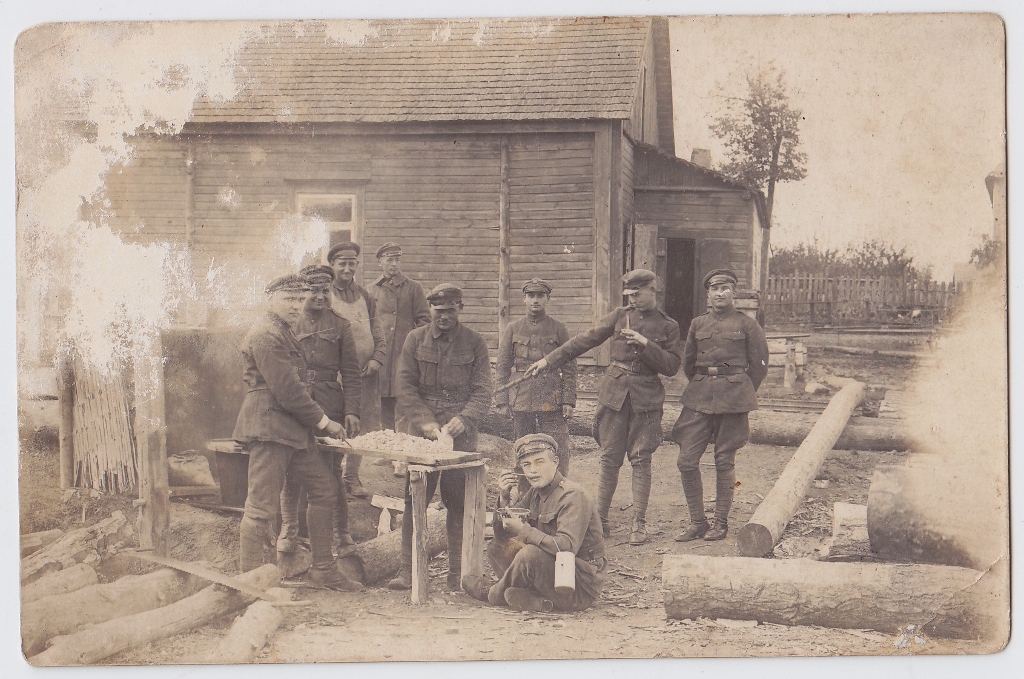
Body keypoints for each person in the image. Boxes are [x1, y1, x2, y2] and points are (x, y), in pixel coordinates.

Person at [525, 269, 682, 546]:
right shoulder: (620, 316)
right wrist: (548, 361)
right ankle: (601, 521)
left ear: (652, 291)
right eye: (629, 295)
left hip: (646, 397)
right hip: (614, 395)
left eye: (637, 294)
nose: (632, 299)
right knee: (609, 458)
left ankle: (639, 523)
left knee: (641, 459)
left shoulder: (668, 325)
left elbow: (671, 366)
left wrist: (646, 344)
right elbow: (584, 340)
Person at [231, 273, 359, 590]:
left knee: (325, 489)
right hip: (269, 427)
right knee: (261, 506)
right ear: (270, 299)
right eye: (288, 299)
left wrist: (311, 426)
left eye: (299, 300)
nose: (295, 306)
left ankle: (323, 570)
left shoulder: (283, 332)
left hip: (293, 430)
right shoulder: (265, 334)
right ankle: (249, 583)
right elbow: (288, 390)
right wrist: (323, 422)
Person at [387, 283, 493, 591]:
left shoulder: (475, 343)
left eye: (450, 310)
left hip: (460, 432)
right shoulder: (415, 339)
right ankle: (408, 571)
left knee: (457, 503)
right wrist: (427, 426)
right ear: (430, 310)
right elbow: (405, 388)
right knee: (413, 500)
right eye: (438, 310)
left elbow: (483, 390)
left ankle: (456, 574)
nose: (443, 316)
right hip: (423, 432)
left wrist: (466, 418)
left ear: (460, 308)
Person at [671, 269, 769, 542]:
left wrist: (740, 389)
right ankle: (697, 522)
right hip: (699, 397)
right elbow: (688, 363)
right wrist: (704, 383)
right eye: (715, 288)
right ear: (708, 293)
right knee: (686, 460)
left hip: (734, 399)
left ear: (734, 292)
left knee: (724, 461)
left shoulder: (748, 325)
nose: (720, 293)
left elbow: (759, 366)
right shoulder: (697, 324)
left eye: (726, 288)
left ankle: (720, 522)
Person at [462, 434, 606, 613]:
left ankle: (493, 594)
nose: (532, 471)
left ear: (556, 462)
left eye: (539, 462)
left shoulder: (573, 495)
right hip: (553, 572)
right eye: (526, 464)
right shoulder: (536, 492)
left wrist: (524, 531)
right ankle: (536, 599)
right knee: (497, 547)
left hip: (578, 585)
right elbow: (503, 534)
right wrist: (504, 498)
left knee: (530, 554)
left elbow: (567, 548)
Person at [277, 265, 362, 560]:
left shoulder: (341, 325)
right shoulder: (289, 324)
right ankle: (290, 531)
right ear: (303, 293)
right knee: (292, 470)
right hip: (296, 406)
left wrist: (351, 411)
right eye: (313, 291)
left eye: (325, 291)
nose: (320, 296)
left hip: (330, 405)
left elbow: (351, 373)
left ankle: (342, 533)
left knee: (332, 473)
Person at [495, 278, 576, 476]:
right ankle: (525, 494)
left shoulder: (559, 328)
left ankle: (560, 491)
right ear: (524, 299)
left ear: (548, 298)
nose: (535, 300)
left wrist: (568, 400)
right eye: (531, 296)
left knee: (558, 448)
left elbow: (570, 368)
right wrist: (502, 401)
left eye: (540, 296)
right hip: (521, 398)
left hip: (552, 398)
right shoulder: (513, 328)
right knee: (523, 448)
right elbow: (503, 366)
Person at [327, 241, 387, 498]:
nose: (348, 268)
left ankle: (352, 478)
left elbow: (379, 334)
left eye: (352, 263)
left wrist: (376, 359)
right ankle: (332, 479)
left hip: (365, 376)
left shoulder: (366, 296)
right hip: (336, 376)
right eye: (343, 263)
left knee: (359, 427)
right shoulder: (325, 295)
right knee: (334, 423)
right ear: (333, 265)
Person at [370, 242, 431, 431]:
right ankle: (388, 454)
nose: (394, 264)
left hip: (404, 357)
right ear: (380, 262)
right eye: (390, 260)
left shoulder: (413, 288)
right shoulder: (371, 290)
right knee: (383, 406)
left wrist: (413, 348)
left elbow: (425, 322)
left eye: (397, 260)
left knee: (404, 404)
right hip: (381, 358)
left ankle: (403, 454)